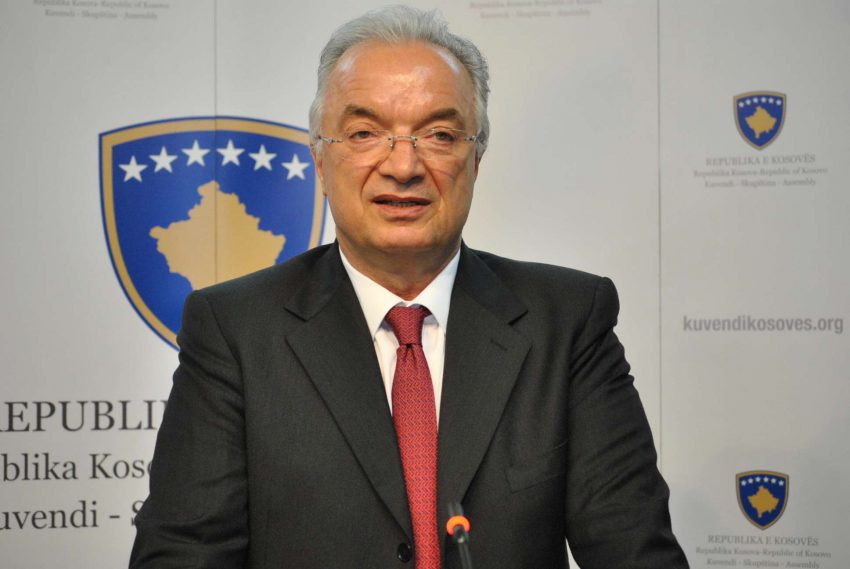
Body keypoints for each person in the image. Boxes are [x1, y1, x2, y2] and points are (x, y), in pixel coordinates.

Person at [130, 6, 688, 569]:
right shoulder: (235, 331)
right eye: (364, 133)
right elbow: (183, 556)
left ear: (476, 159)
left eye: (439, 135)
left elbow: (634, 551)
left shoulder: (567, 321)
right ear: (320, 160)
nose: (403, 166)